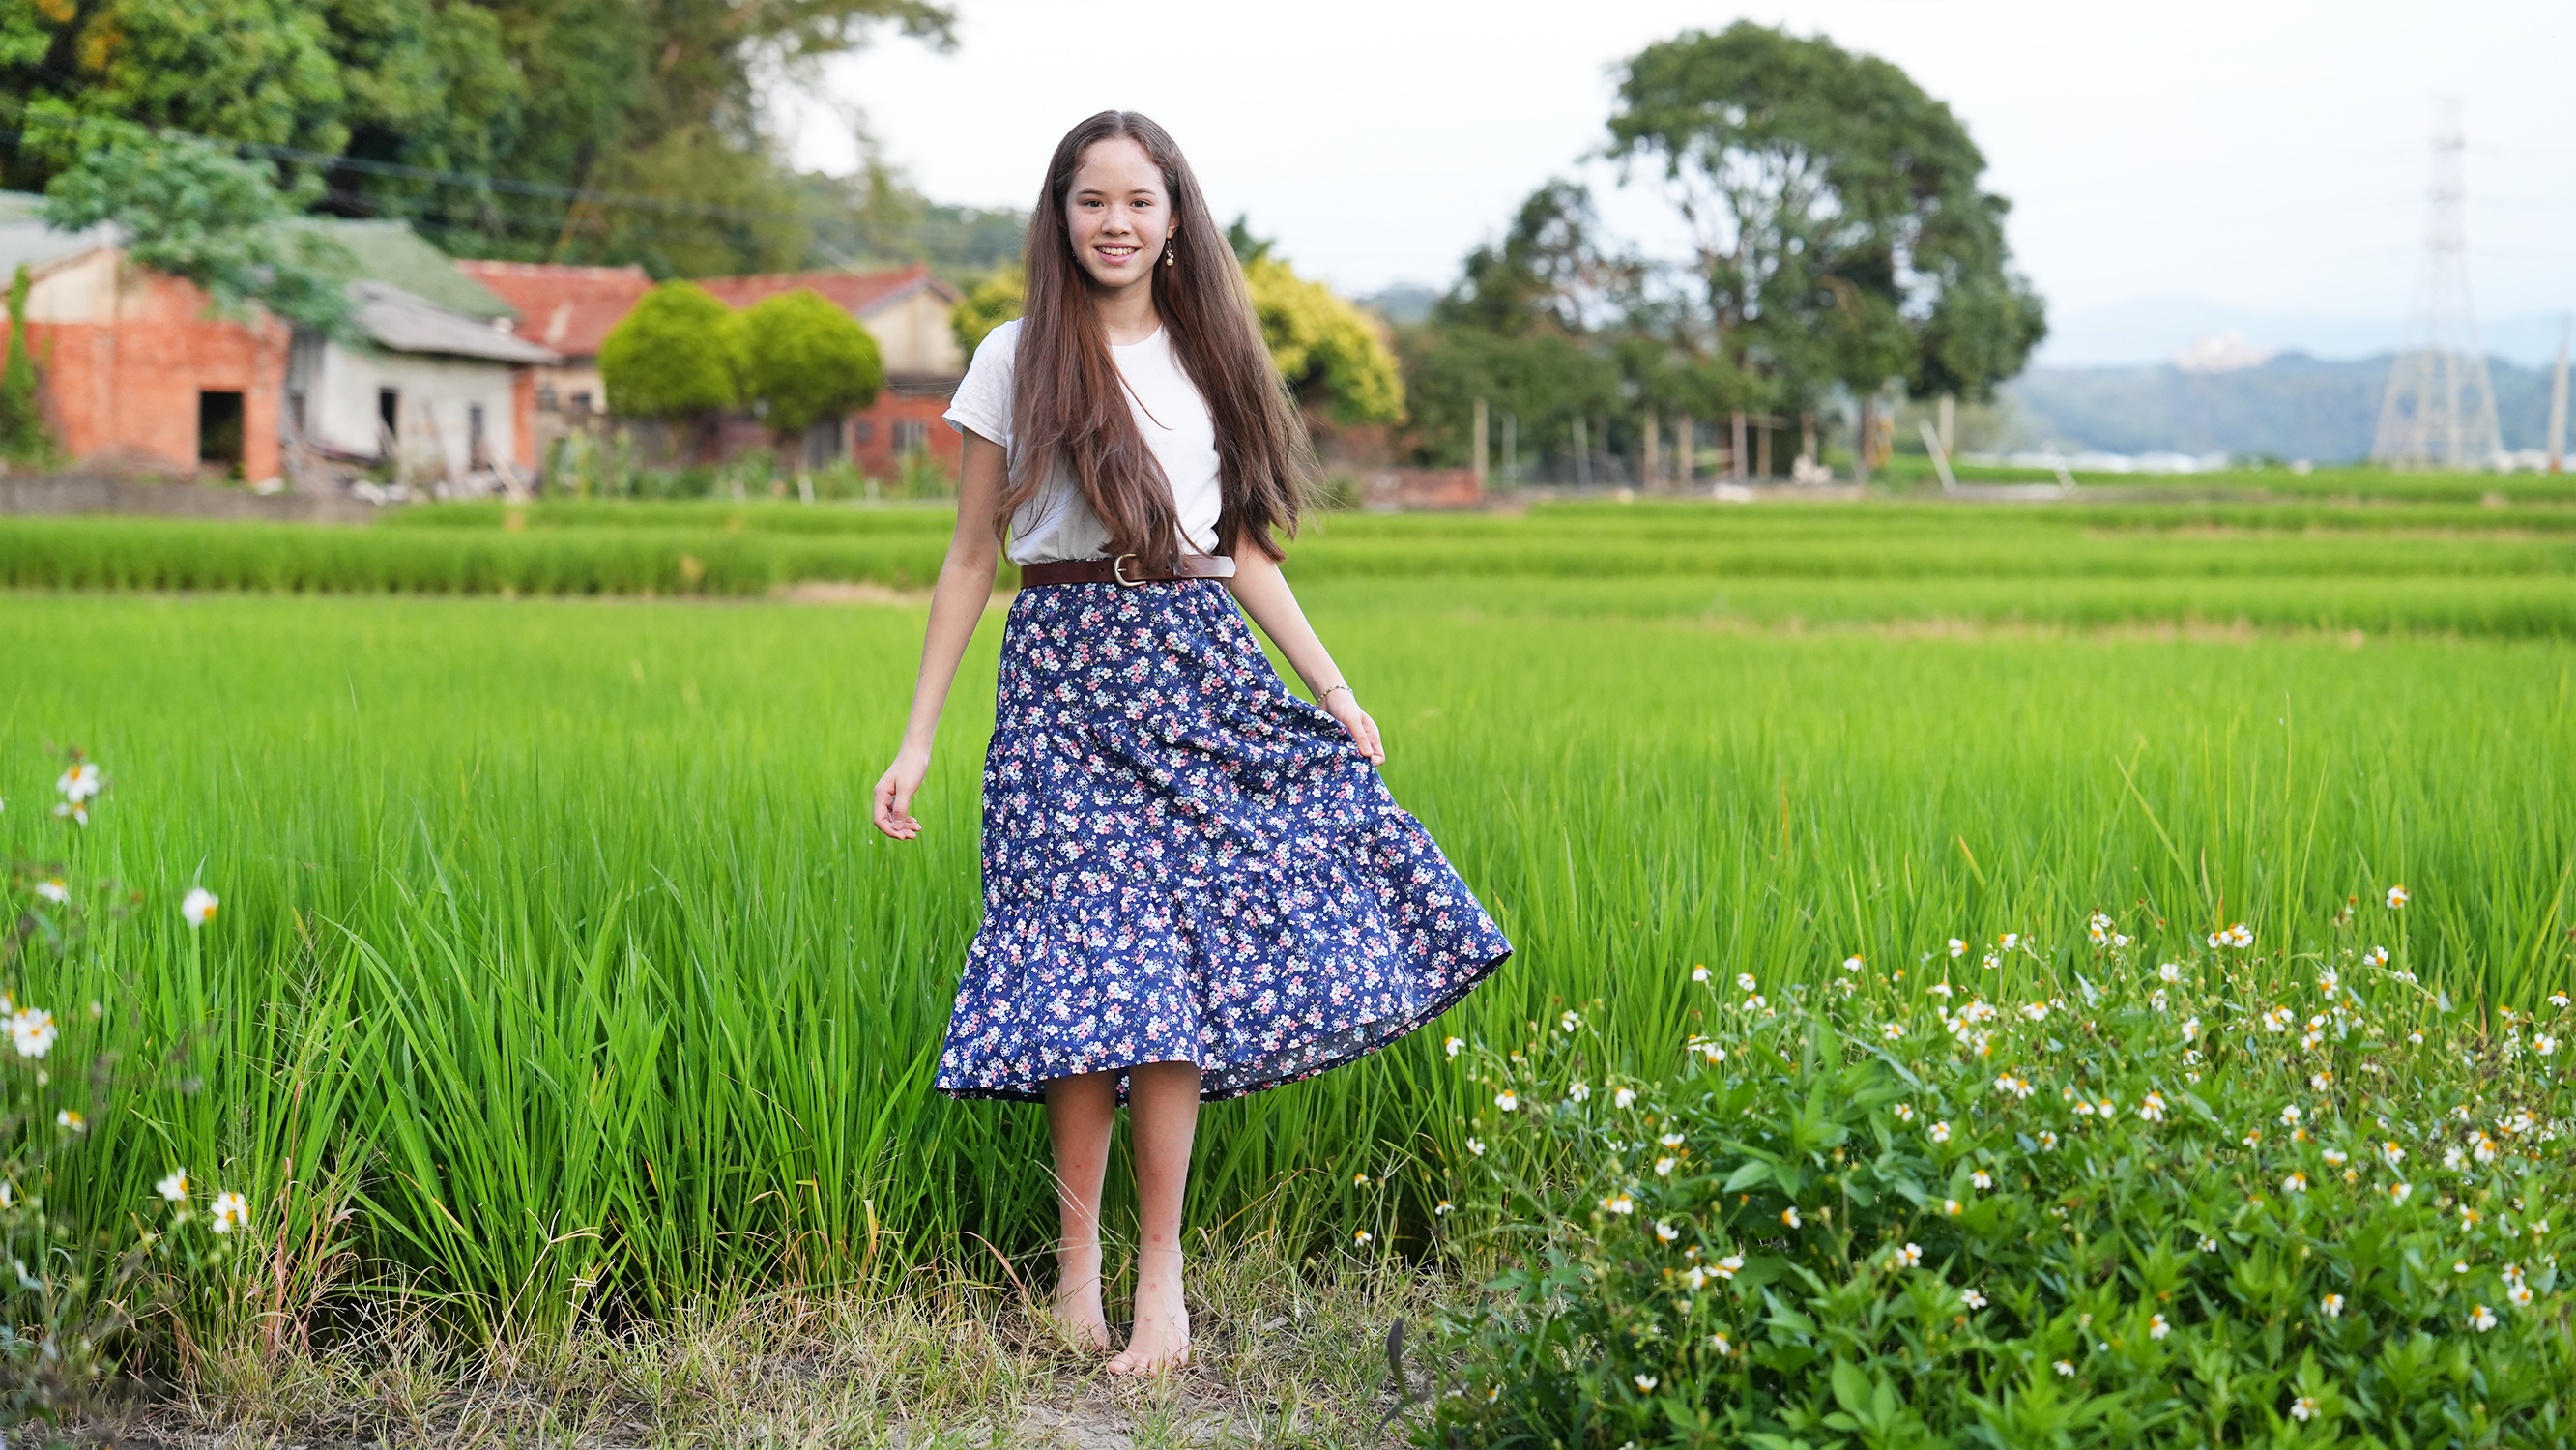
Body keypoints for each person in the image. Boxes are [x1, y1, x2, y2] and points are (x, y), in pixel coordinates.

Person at [872, 109, 1510, 1378]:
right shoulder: (1010, 358)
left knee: (1162, 991)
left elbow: (1250, 556)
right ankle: (1075, 1281)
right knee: (1079, 977)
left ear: (1174, 222)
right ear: (1060, 217)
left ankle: (1161, 1288)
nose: (1115, 221)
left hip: (1194, 673)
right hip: (1058, 685)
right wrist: (917, 739)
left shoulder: (1211, 357)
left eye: (1139, 201)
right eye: (1091, 199)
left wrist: (1332, 687)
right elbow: (966, 559)